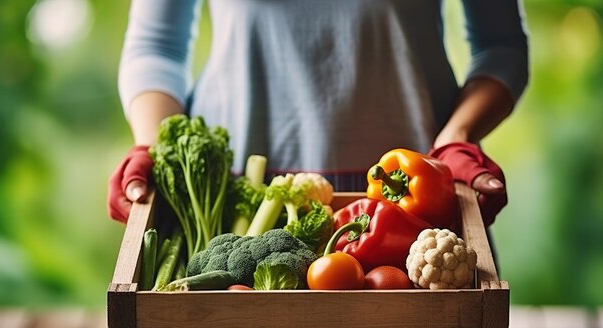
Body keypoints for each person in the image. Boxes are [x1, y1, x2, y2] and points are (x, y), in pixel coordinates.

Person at [108, 0, 529, 227]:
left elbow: (501, 47)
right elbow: (156, 47)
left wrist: (457, 136)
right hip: (231, 204)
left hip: (415, 201)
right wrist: (155, 142)